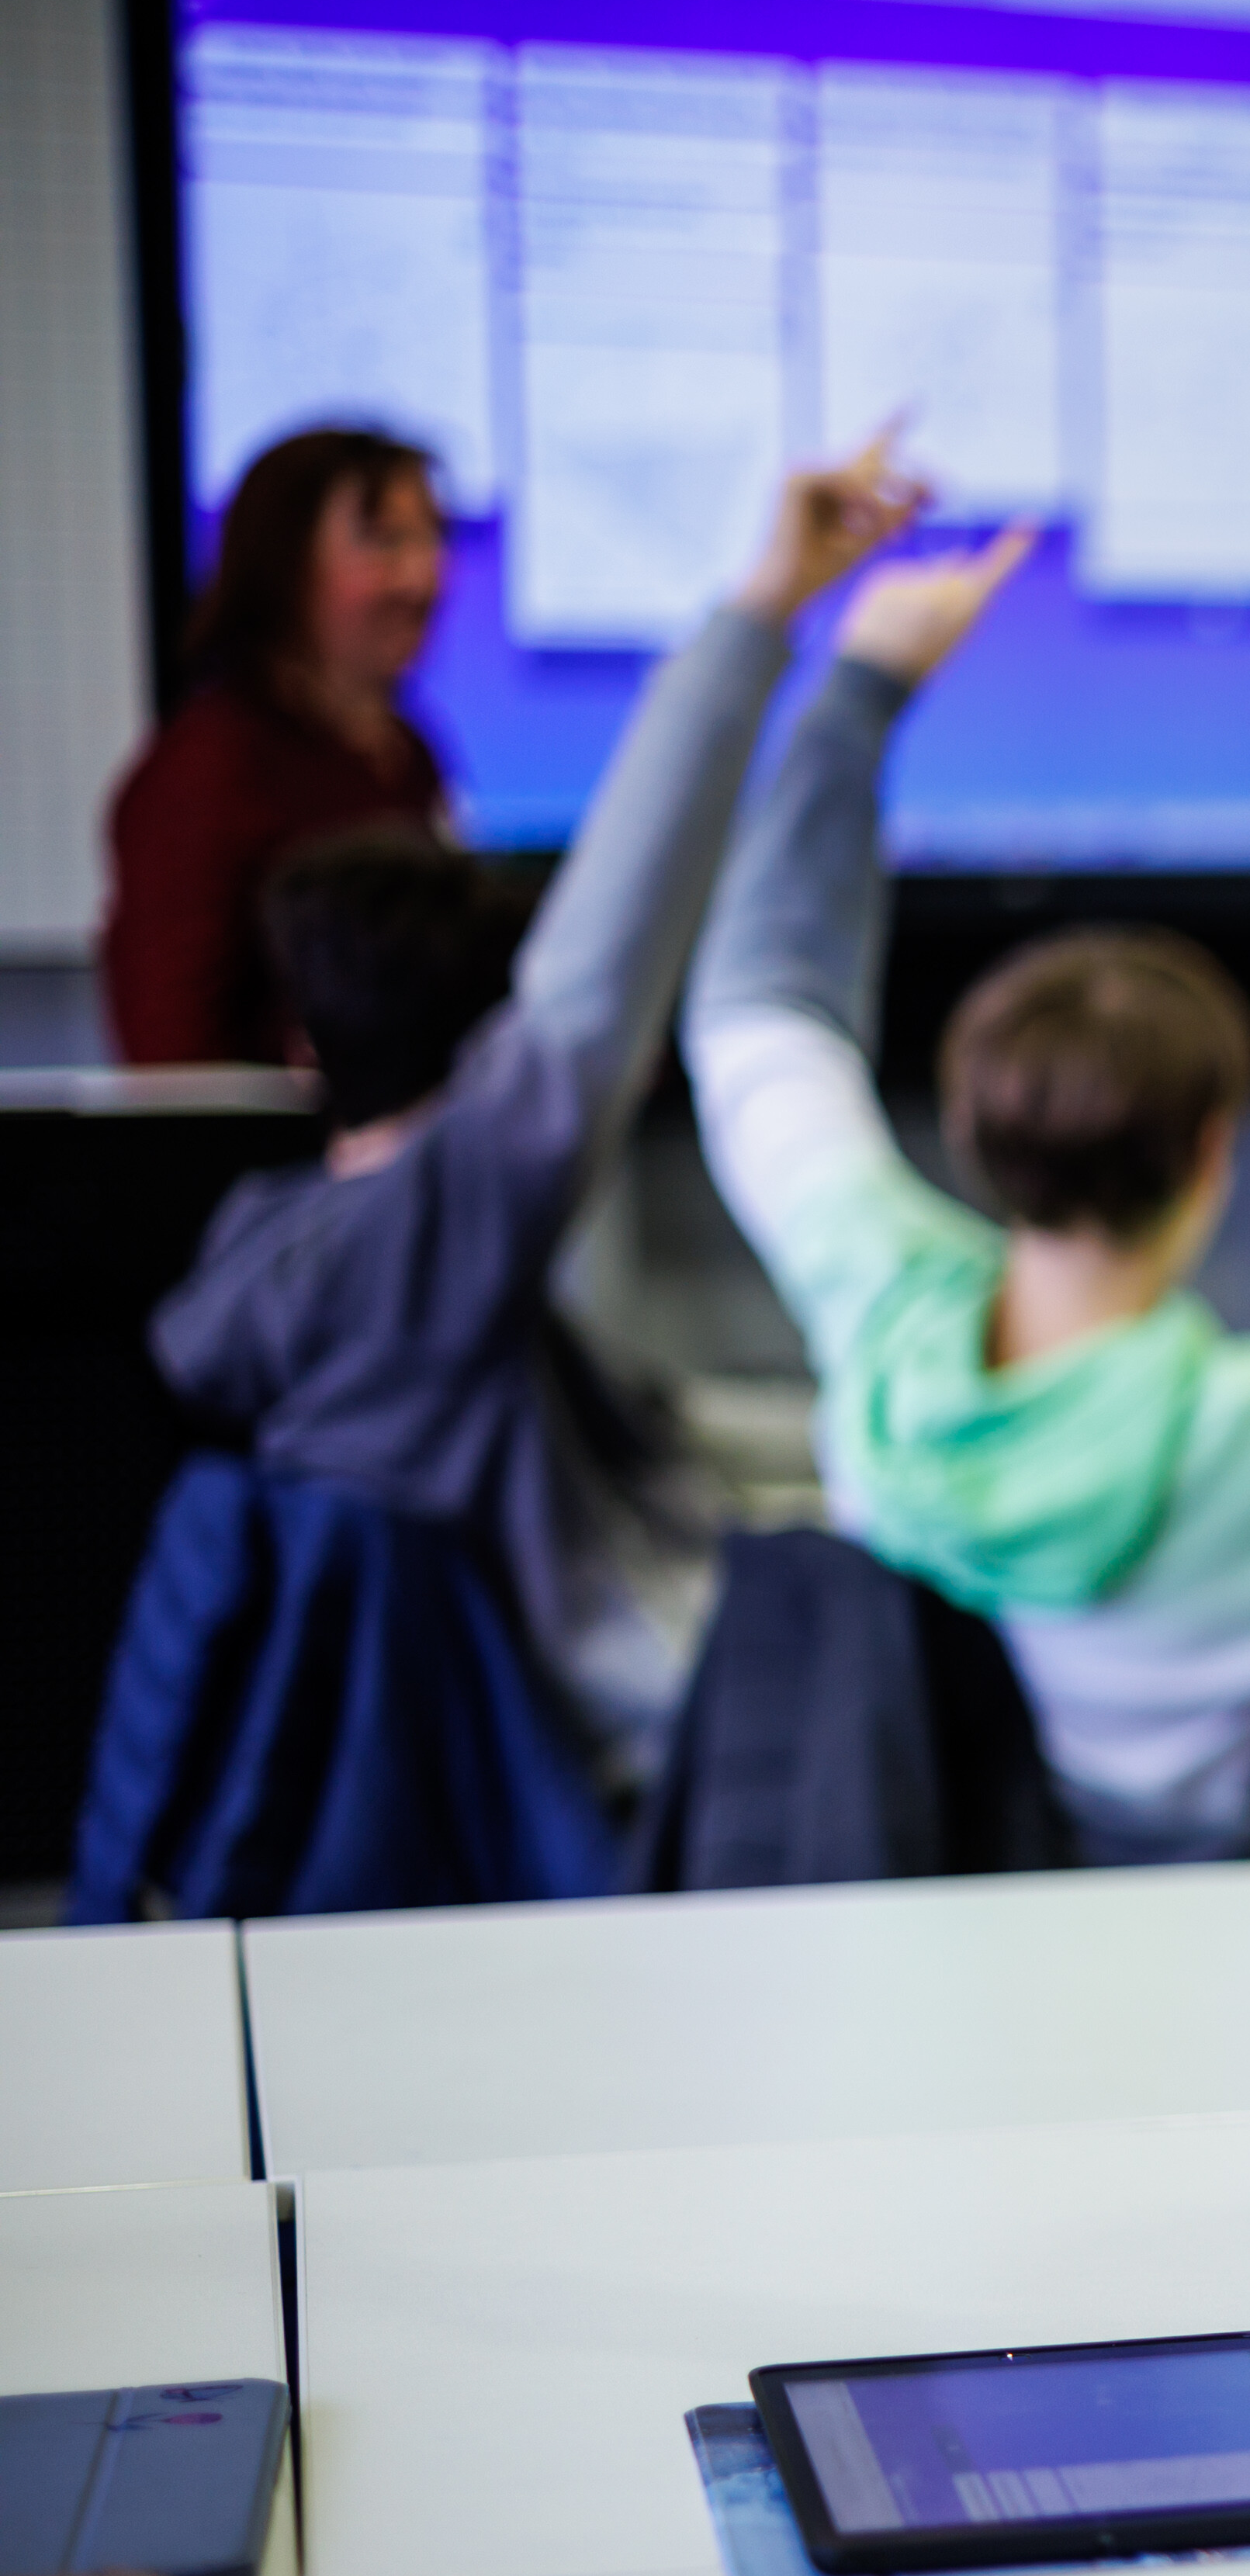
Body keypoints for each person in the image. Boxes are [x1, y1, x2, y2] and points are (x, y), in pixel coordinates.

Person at [147, 444, 924, 1789]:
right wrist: (783, 619)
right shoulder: (429, 1238)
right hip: (626, 1767)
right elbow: (598, 967)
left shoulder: (267, 1252)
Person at [682, 533, 1250, 1865]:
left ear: (967, 1132)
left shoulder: (878, 1308)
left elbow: (755, 1017)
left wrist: (862, 689)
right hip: (1241, 1936)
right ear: (1212, 1154)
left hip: (956, 1912)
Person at [100, 426, 458, 1066]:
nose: (422, 578)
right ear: (286, 561)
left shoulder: (408, 753)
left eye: (433, 537)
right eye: (385, 542)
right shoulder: (209, 768)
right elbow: (171, 1060)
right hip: (273, 1160)